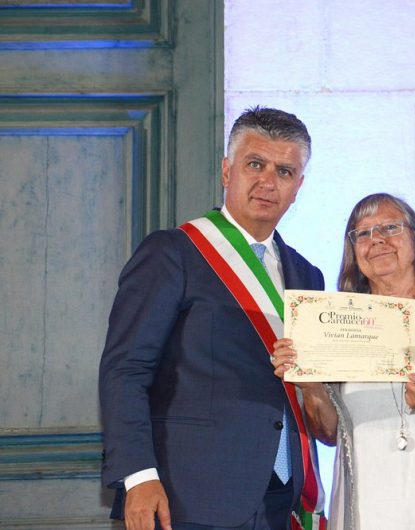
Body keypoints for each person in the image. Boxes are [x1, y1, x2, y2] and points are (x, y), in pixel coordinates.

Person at [99, 106, 325, 530]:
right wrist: (138, 476)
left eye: (284, 171)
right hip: (188, 496)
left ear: (298, 187)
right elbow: (126, 370)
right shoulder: (173, 252)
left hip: (282, 496)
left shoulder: (308, 276)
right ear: (226, 170)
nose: (268, 182)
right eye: (254, 164)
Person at [270, 193, 415, 530]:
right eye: (362, 233)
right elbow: (329, 433)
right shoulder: (334, 322)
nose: (376, 239)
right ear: (354, 254)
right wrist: (312, 387)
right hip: (369, 508)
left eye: (391, 227)